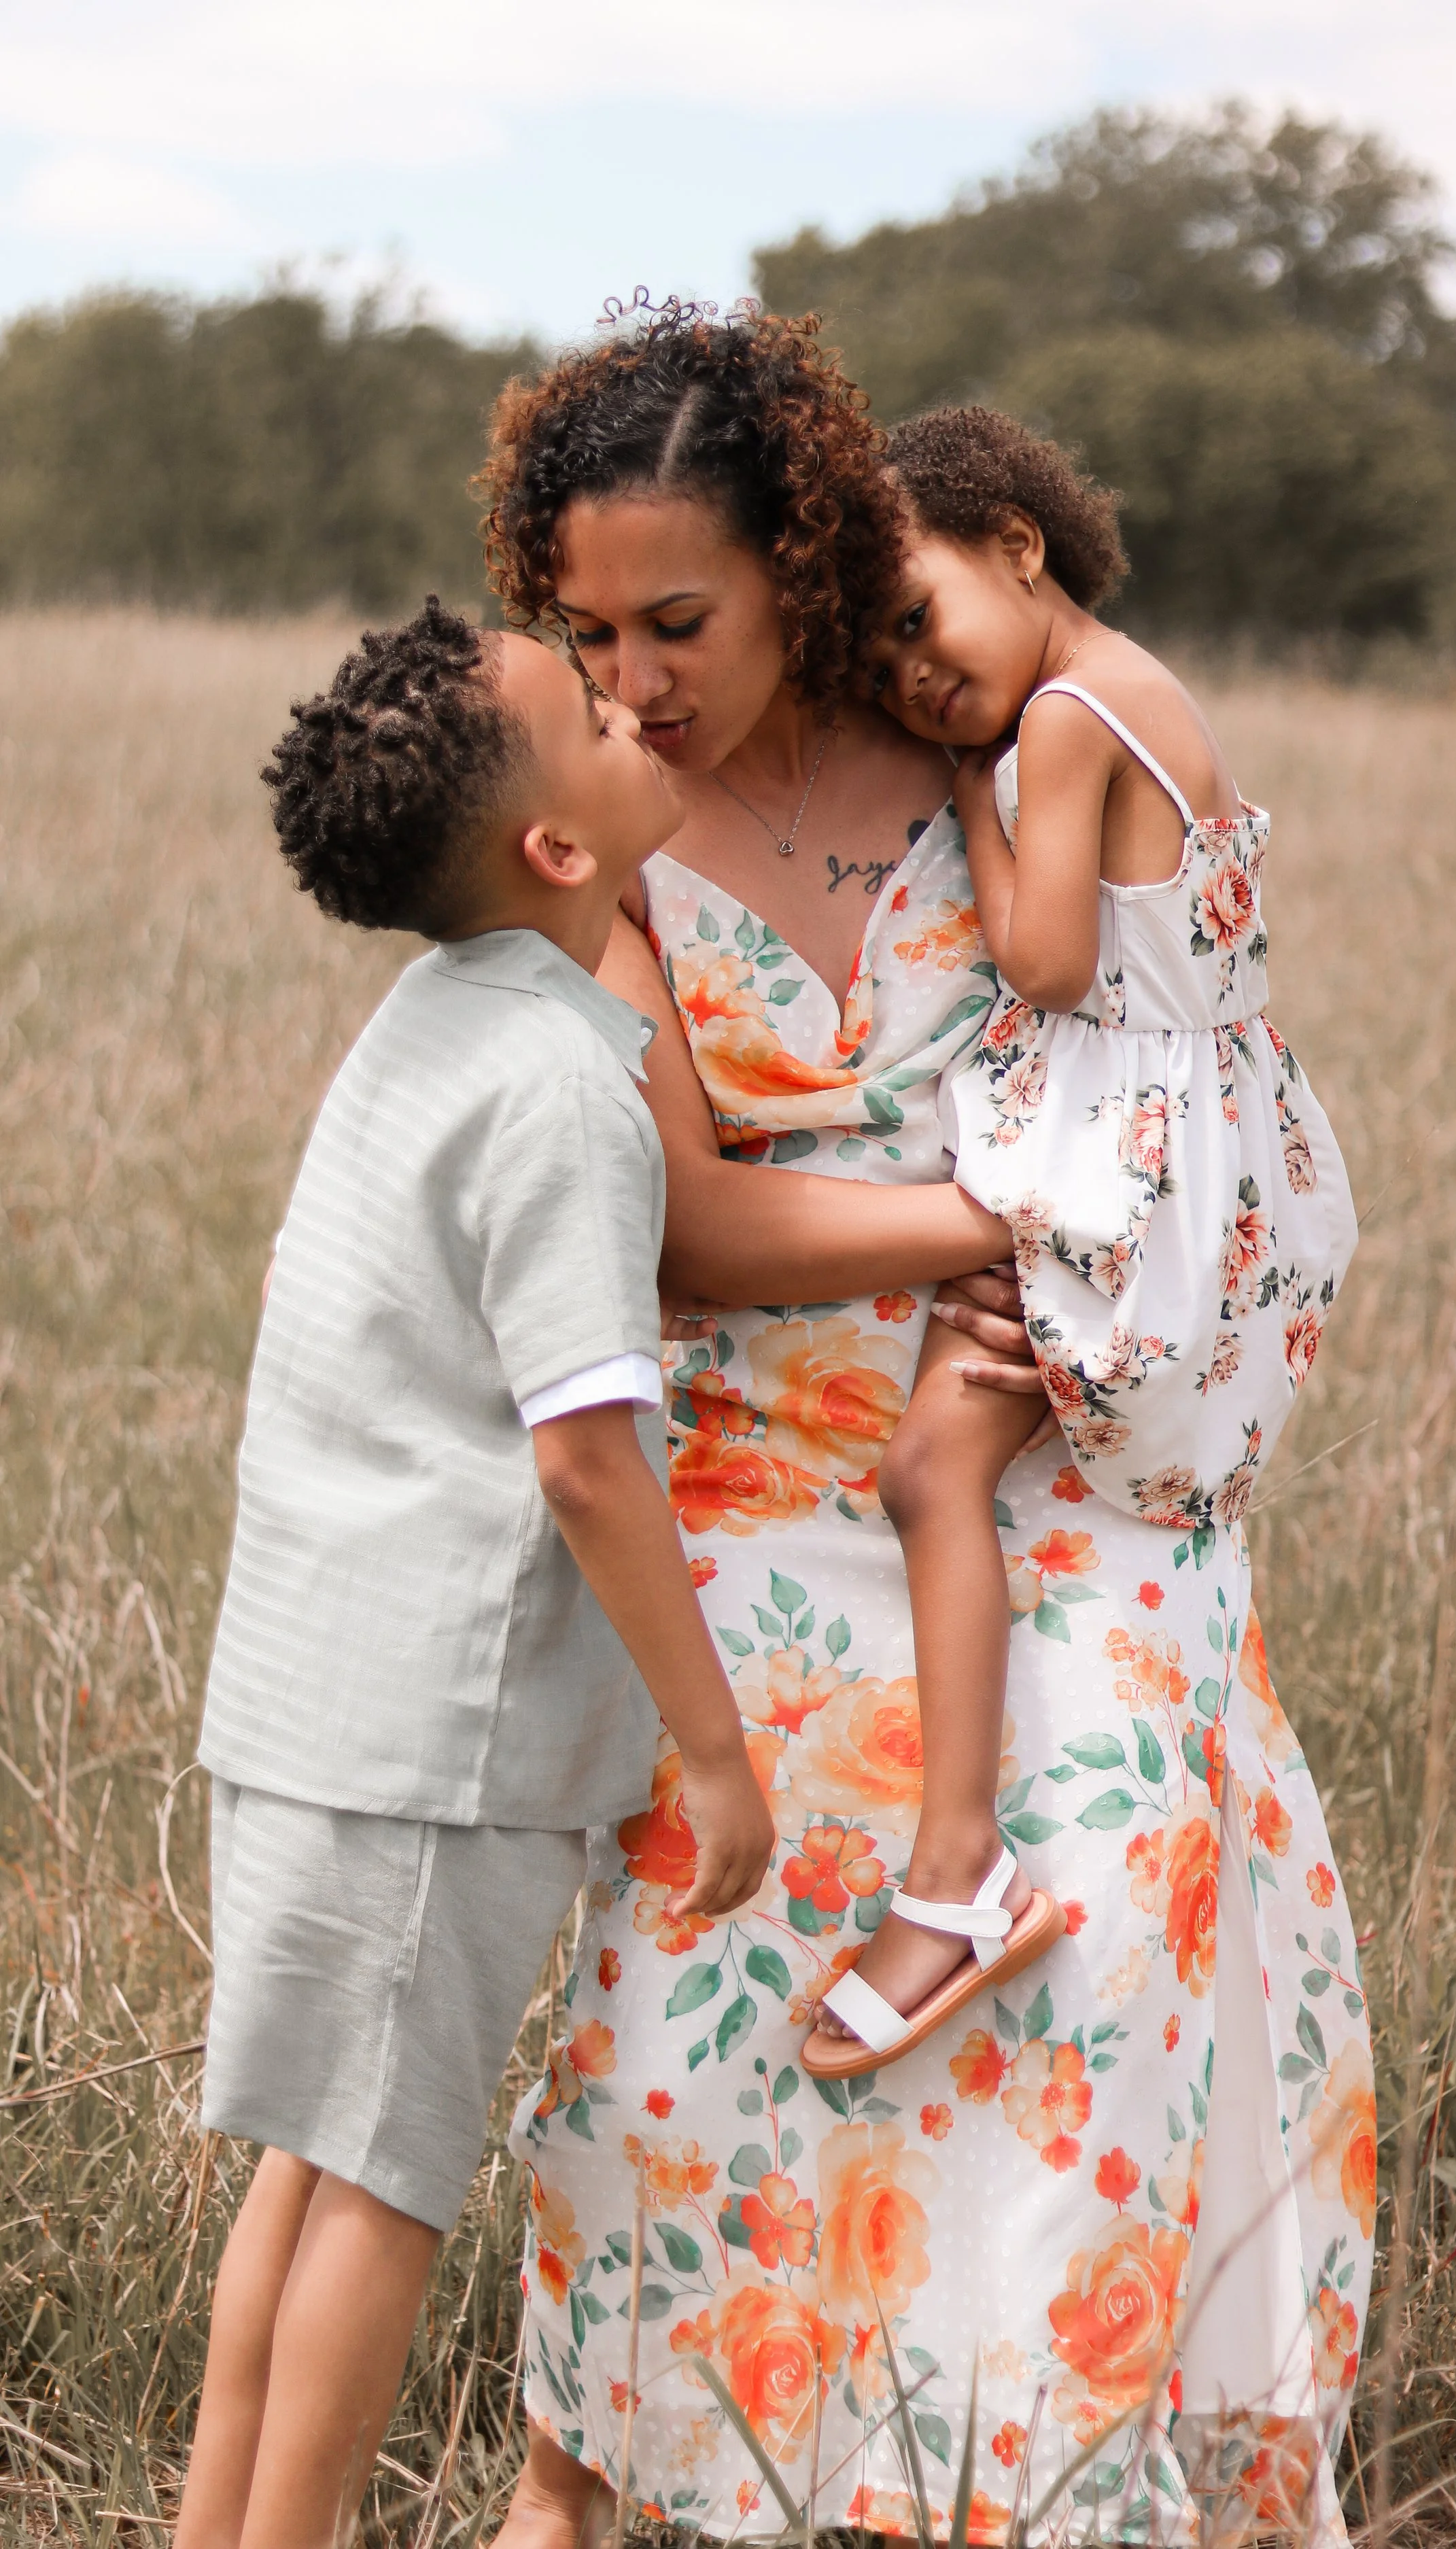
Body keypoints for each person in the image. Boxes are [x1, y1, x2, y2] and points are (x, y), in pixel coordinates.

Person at [481, 306, 1376, 2549]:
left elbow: (1183, 1016)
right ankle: (632, 2476)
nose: (634, 675)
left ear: (806, 557)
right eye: (585, 628)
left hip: (1044, 1468)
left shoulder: (979, 723)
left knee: (1108, 1891)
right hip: (759, 1483)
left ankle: (1025, 2485)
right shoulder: (599, 834)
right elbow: (682, 1220)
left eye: (677, 619)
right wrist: (987, 1211)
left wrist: (1142, 1263)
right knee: (709, 1989)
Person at [175, 599, 774, 2549]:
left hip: (310, 1695)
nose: (634, 704)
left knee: (312, 2165)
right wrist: (712, 1750)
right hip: (431, 1738)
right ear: (563, 850)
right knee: (387, 2189)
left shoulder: (437, 1024)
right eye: (594, 708)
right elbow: (588, 1452)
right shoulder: (558, 1090)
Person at [803, 409, 1357, 2077]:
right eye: (878, 666)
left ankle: (957, 1863)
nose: (911, 678)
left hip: (1127, 1172)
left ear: (1017, 545)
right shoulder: (1147, 684)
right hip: (1220, 1141)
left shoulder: (1052, 721)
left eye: (914, 620)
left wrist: (962, 803)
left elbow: (1043, 963)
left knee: (925, 1474)